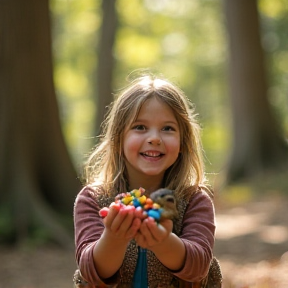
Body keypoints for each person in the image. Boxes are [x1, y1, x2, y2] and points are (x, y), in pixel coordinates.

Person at [74, 73, 216, 288]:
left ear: (183, 142)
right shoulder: (93, 200)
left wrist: (162, 241)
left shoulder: (194, 200)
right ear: (118, 139)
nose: (154, 138)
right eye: (140, 127)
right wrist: (114, 237)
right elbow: (91, 271)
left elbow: (199, 266)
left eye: (167, 128)